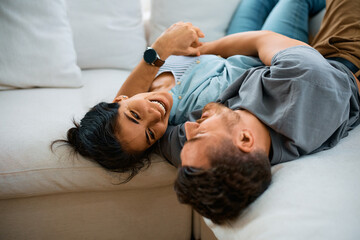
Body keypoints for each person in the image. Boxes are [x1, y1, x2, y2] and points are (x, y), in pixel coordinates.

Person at [53, 0, 325, 182]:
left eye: (135, 115)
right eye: (149, 133)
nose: (155, 115)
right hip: (259, 54)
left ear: (121, 100)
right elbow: (259, 47)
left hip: (230, 44)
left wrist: (163, 47)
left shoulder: (138, 88)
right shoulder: (188, 120)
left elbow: (128, 92)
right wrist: (185, 48)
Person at [173, 0, 360, 225]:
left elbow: (122, 120)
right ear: (244, 138)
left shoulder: (213, 153)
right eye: (199, 135)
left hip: (274, 63)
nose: (187, 127)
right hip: (342, 59)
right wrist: (196, 52)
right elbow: (263, 39)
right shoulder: (301, 77)